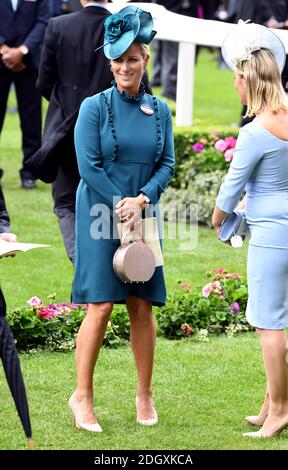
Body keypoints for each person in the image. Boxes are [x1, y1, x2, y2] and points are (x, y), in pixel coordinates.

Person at [69, 6, 174, 432]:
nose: (124, 67)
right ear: (109, 61)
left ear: (145, 59)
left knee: (141, 306)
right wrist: (120, 202)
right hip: (99, 208)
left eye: (133, 58)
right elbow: (88, 166)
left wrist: (143, 200)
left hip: (144, 212)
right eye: (117, 59)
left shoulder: (161, 110)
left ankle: (144, 395)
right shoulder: (93, 108)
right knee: (100, 305)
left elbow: (166, 164)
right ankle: (82, 396)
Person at [212, 20, 288, 438]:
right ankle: (270, 403)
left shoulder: (255, 132)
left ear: (248, 81)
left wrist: (218, 218)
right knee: (281, 319)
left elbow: (230, 189)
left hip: (273, 235)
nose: (235, 86)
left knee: (268, 323)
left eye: (237, 78)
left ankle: (279, 411)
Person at [34, 0, 152, 263]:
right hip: (113, 129)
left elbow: (43, 82)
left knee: (66, 202)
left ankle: (83, 261)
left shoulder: (58, 25)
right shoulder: (122, 27)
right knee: (107, 200)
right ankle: (107, 264)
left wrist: (65, 106)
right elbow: (139, 82)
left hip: (64, 129)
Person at [0, 0, 50, 189]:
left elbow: (44, 20)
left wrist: (22, 50)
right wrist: (4, 49)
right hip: (0, 58)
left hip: (29, 62)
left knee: (31, 119)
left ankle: (30, 172)